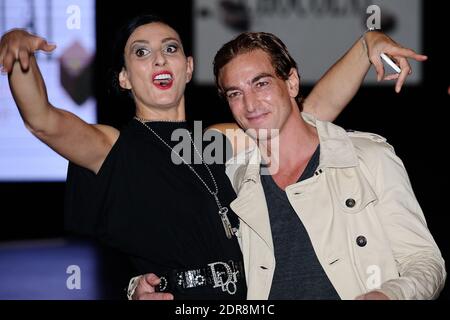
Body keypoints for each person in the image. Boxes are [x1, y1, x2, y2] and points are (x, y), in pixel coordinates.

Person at [0, 15, 425, 300]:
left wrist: (365, 44)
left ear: (187, 67)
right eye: (141, 52)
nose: (158, 58)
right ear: (125, 78)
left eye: (169, 48)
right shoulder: (113, 147)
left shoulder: (223, 139)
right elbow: (44, 121)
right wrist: (18, 50)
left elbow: (309, 113)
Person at [131, 31, 445, 300]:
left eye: (261, 84)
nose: (250, 104)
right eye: (235, 93)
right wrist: (138, 287)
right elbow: (191, 260)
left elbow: (425, 260)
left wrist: (389, 294)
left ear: (291, 82)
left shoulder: (366, 158)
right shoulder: (233, 179)